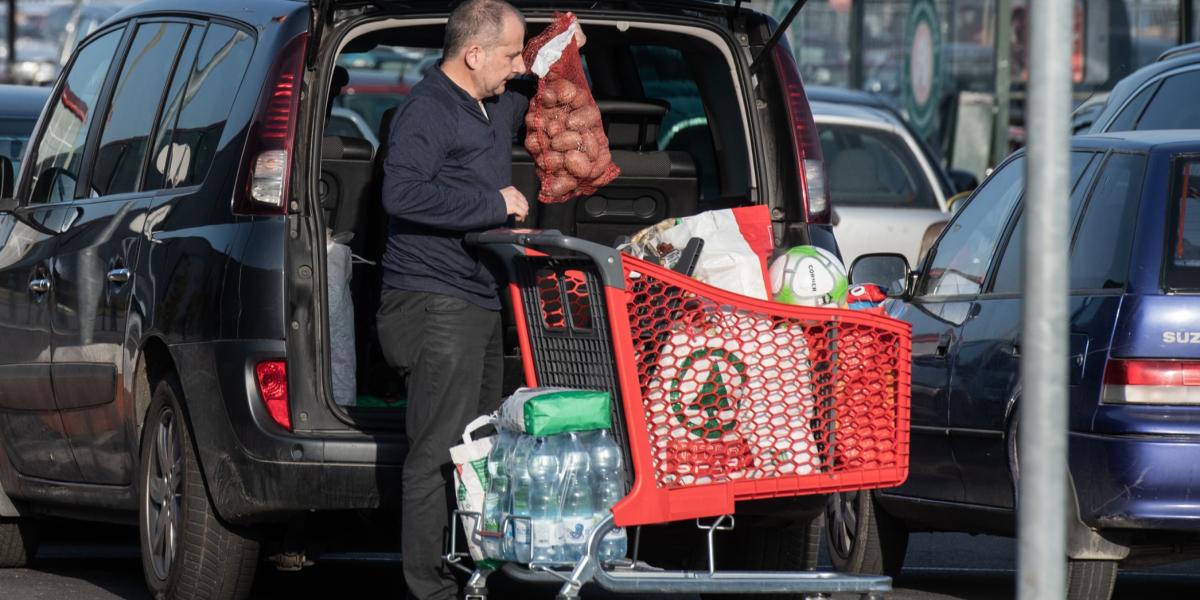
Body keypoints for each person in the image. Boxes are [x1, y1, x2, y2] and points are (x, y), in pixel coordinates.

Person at [375, 2, 581, 598]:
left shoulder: (494, 103)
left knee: (479, 449)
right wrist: (497, 204)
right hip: (434, 301)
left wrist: (563, 48)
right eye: (510, 54)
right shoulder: (427, 110)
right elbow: (403, 194)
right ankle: (429, 589)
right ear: (473, 54)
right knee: (437, 453)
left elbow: (541, 81)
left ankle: (472, 571)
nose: (517, 67)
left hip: (479, 298)